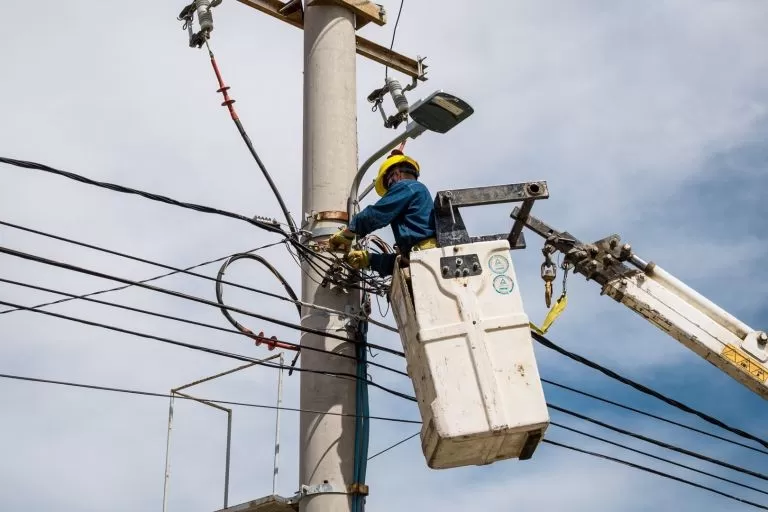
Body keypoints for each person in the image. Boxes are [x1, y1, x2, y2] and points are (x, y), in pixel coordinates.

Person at [329, 150, 437, 276]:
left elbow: (377, 213)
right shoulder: (416, 196)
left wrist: (348, 232)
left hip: (424, 263)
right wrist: (370, 260)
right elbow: (402, 263)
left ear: (396, 174)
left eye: (388, 183)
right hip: (424, 265)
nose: (389, 189)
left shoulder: (407, 186)